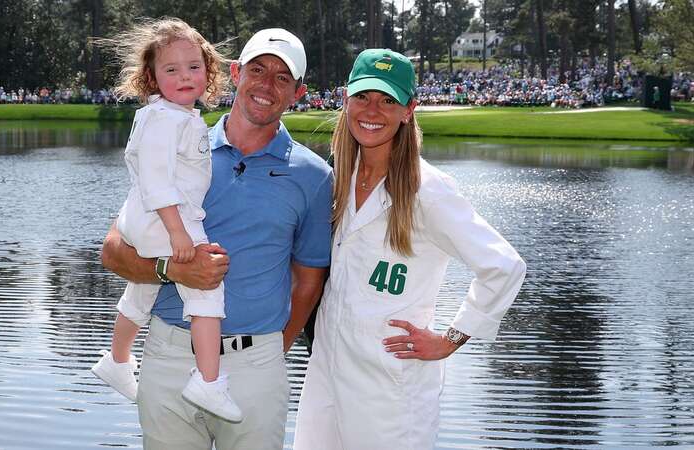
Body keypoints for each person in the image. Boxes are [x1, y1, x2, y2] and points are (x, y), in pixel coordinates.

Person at [100, 27, 332, 450]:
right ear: (236, 72)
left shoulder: (313, 176)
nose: (267, 85)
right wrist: (173, 270)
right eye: (258, 70)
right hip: (168, 355)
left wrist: (268, 354)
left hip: (256, 365)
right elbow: (114, 251)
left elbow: (308, 281)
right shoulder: (181, 142)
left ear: (297, 93)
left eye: (283, 78)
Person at [293, 49, 527, 450]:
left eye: (388, 100)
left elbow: (503, 266)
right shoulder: (338, 180)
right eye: (363, 97)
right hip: (327, 369)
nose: (373, 110)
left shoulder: (427, 189)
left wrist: (451, 338)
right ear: (345, 100)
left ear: (409, 109)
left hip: (390, 384)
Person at [91, 18, 243, 422]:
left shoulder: (176, 116)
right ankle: (208, 382)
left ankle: (117, 360)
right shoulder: (165, 119)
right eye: (171, 70)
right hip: (165, 218)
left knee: (143, 287)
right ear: (152, 77)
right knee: (206, 284)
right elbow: (158, 180)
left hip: (145, 218)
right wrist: (179, 234)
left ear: (208, 72)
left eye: (194, 67)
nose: (184, 76)